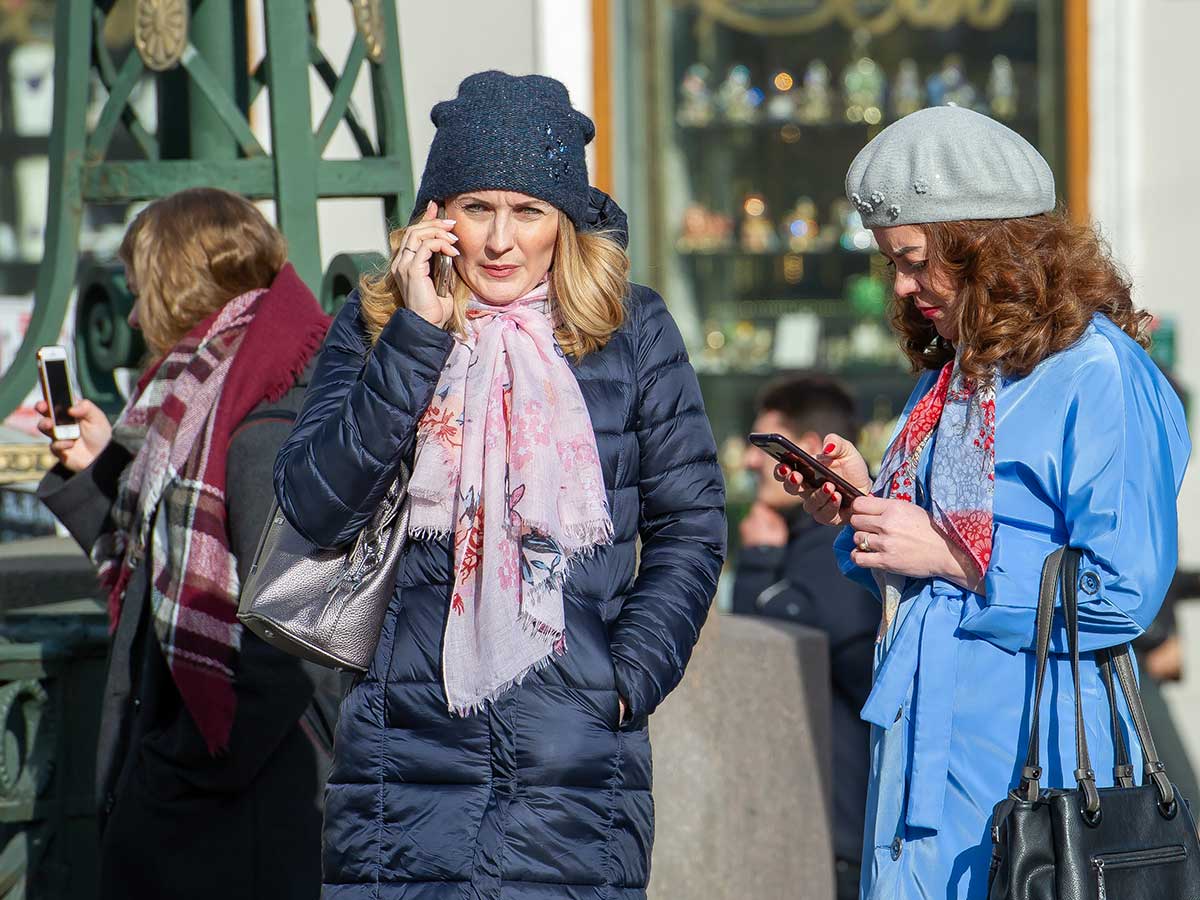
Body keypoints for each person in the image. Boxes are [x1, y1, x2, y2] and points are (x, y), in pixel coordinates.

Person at [273, 71, 726, 899]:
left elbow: (690, 524)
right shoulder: (375, 325)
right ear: (436, 218)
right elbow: (313, 503)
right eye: (476, 208)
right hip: (401, 754)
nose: (499, 241)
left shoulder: (629, 329)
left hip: (576, 753)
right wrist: (415, 338)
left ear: (567, 222)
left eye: (528, 212)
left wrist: (623, 682)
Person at [774, 106, 1190, 899]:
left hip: (1036, 756)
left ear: (988, 251)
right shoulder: (958, 376)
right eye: (890, 261)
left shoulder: (1099, 373)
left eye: (915, 260)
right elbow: (925, 566)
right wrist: (861, 508)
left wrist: (953, 558)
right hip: (921, 756)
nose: (900, 285)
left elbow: (1125, 590)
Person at [36, 188, 341, 900]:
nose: (137, 315)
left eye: (144, 293)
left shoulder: (261, 427)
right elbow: (158, 565)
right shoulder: (201, 401)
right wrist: (103, 467)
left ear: (178, 289)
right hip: (220, 817)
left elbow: (290, 646)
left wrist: (179, 775)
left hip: (239, 829)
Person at [733, 373, 878, 900]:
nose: (751, 462)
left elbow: (767, 668)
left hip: (844, 833)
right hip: (811, 822)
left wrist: (759, 568)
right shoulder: (792, 539)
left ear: (811, 451)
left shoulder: (841, 550)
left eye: (765, 444)